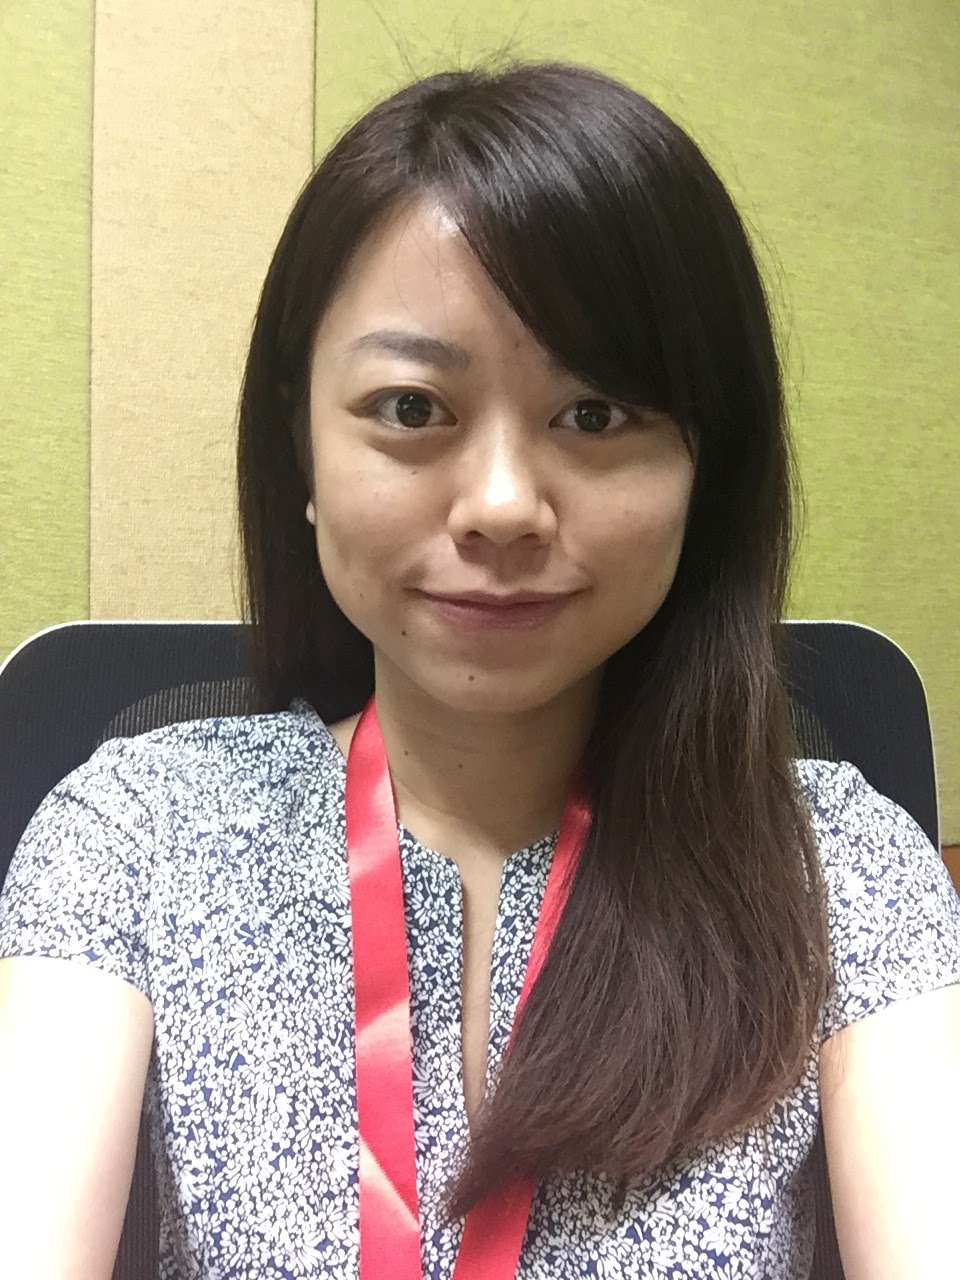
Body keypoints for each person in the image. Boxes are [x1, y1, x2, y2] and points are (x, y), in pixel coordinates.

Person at [1, 57, 959, 1280]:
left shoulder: (839, 871)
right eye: (412, 408)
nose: (503, 504)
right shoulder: (139, 830)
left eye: (595, 413)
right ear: (300, 444)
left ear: (703, 469)